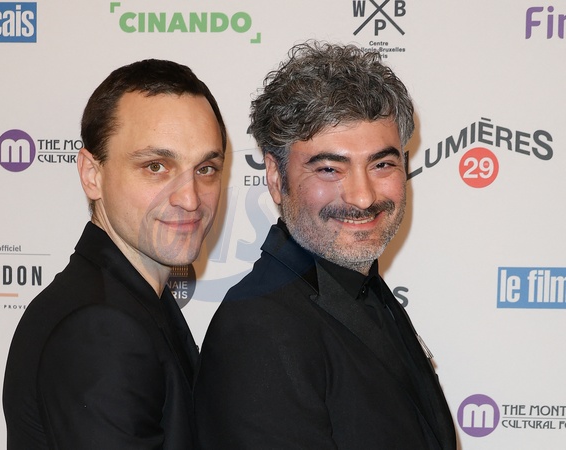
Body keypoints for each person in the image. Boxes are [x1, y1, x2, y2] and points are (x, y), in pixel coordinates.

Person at [194, 41, 457, 449]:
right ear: (276, 178)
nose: (363, 197)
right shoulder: (258, 329)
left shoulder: (365, 290)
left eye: (382, 164)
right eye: (331, 169)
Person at [3, 59, 227, 449]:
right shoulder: (101, 328)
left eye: (205, 169)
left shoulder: (134, 300)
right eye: (156, 166)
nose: (190, 198)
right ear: (92, 174)